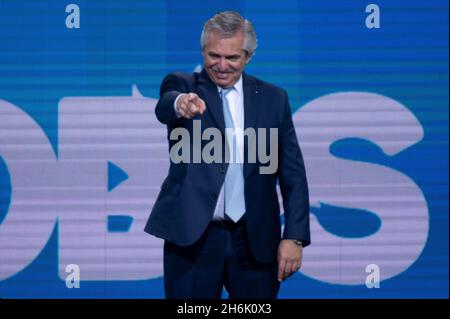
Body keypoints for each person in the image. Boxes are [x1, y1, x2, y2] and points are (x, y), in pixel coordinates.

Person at [144, 11, 310, 299]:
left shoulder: (274, 99)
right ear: (203, 52)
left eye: (231, 58)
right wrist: (181, 104)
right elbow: (166, 104)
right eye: (213, 56)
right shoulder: (184, 85)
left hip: (255, 239)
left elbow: (292, 174)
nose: (221, 65)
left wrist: (294, 236)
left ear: (248, 56)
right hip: (193, 238)